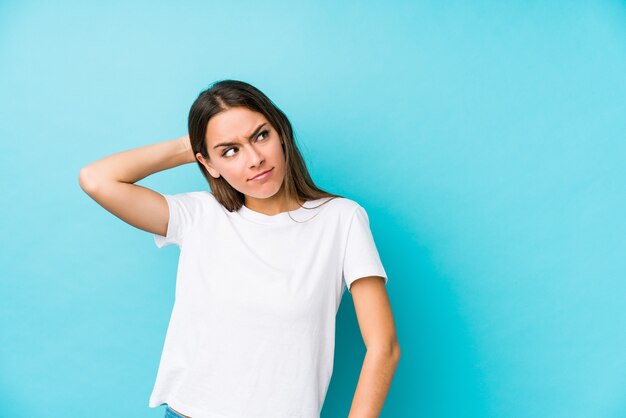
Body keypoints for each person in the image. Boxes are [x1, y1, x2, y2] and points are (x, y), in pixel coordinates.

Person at [78, 80, 400, 418]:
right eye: (229, 150)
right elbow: (96, 179)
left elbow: (384, 347)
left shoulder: (341, 219)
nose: (255, 159)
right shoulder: (198, 216)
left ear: (281, 133)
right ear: (208, 164)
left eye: (261, 136)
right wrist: (192, 146)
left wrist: (221, 144)